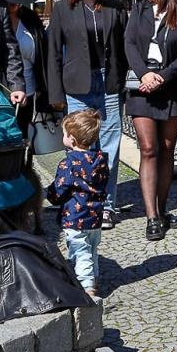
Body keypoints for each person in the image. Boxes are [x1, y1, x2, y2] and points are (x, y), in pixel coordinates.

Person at [46, 0, 127, 227]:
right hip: (77, 85)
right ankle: (80, 201)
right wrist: (55, 94)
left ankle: (107, 206)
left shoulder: (115, 8)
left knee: (110, 146)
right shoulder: (62, 9)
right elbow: (53, 52)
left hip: (109, 82)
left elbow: (124, 47)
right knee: (79, 145)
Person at [123, 0, 177, 241]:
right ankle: (151, 216)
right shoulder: (139, 10)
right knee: (149, 149)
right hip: (141, 86)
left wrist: (162, 77)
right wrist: (144, 74)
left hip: (170, 86)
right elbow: (129, 43)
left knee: (166, 150)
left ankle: (162, 210)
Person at [0, 0, 55, 181]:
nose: (15, 4)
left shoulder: (30, 19)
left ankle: (23, 184)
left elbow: (42, 55)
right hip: (0, 91)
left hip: (28, 94)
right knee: (2, 143)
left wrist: (44, 90)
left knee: (23, 142)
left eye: (19, 0)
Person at [48, 110, 109, 302]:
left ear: (72, 139)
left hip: (75, 216)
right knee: (92, 249)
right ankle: (94, 278)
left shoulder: (69, 163)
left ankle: (86, 286)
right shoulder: (100, 160)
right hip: (96, 215)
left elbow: (60, 189)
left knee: (80, 251)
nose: (63, 137)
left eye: (64, 134)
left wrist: (50, 196)